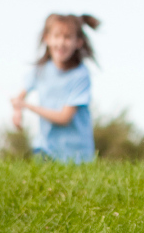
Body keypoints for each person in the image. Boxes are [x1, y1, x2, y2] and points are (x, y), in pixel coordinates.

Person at [10, 13, 100, 165]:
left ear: (78, 42)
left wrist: (27, 107)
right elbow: (21, 96)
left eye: (67, 37)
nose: (61, 42)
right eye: (57, 36)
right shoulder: (40, 70)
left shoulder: (80, 75)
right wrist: (18, 111)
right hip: (45, 148)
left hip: (76, 155)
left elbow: (64, 118)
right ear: (47, 38)